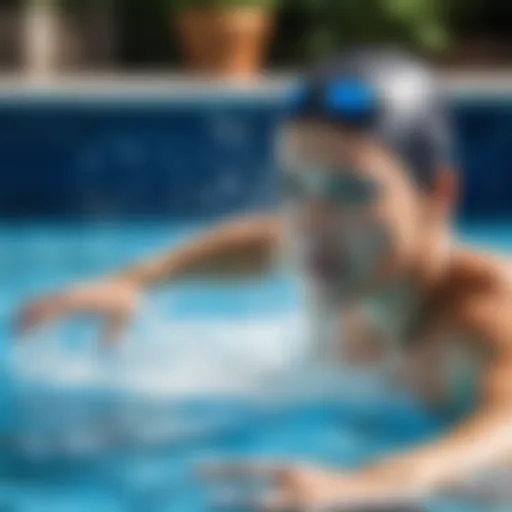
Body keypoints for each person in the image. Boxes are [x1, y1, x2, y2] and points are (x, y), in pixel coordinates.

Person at [14, 48, 512, 510]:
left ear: (439, 193)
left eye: (349, 191)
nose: (311, 224)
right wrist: (138, 279)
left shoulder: (484, 315)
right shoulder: (351, 259)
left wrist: (372, 482)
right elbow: (265, 242)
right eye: (295, 188)